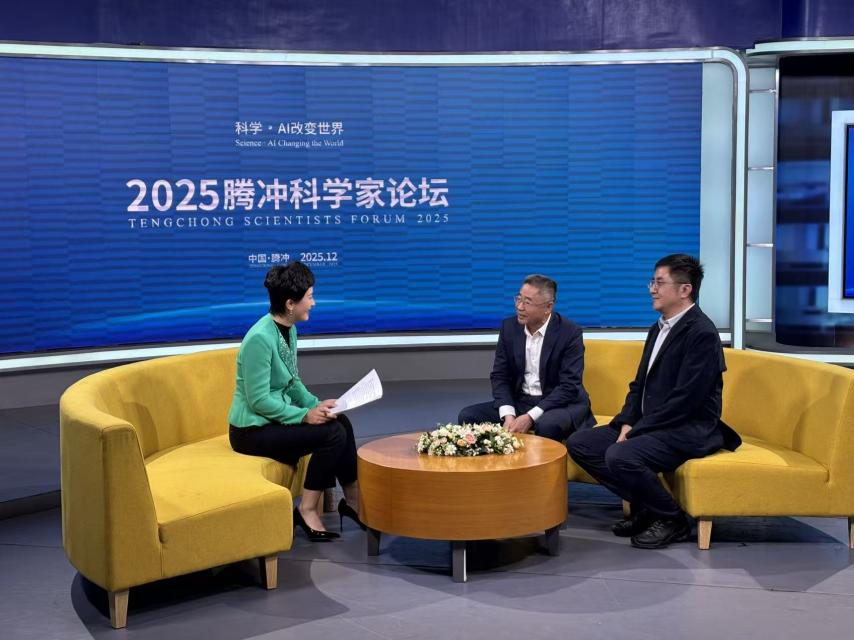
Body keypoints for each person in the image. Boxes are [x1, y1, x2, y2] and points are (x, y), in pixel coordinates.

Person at [567, 254, 741, 549]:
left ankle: (672, 519)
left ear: (685, 290)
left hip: (686, 428)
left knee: (620, 455)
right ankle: (649, 509)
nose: (652, 289)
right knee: (581, 443)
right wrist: (627, 422)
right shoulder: (658, 328)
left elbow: (686, 400)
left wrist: (638, 431)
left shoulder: (702, 333)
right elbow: (639, 386)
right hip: (653, 424)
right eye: (652, 282)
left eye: (659, 283)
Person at [228, 262, 363, 541]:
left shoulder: (288, 329)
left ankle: (352, 502)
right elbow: (258, 401)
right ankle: (307, 510)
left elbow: (292, 382)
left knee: (341, 421)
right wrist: (304, 415)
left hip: (273, 421)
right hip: (251, 430)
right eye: (309, 297)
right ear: (290, 304)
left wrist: (318, 405)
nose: (313, 303)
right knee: (332, 434)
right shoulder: (259, 339)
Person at [458, 274, 596, 442]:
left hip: (559, 403)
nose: (519, 307)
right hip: (521, 401)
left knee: (547, 425)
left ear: (548, 307)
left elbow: (569, 386)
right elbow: (500, 375)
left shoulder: (569, 333)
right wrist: (508, 414)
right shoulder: (509, 327)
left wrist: (530, 417)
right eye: (518, 299)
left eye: (527, 302)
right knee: (468, 416)